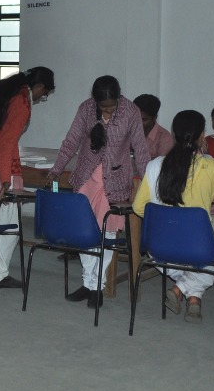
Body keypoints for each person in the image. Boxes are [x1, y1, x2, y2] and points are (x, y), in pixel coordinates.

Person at [132, 109, 214, 323]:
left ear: (174, 134)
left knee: (188, 259)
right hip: (199, 248)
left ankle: (190, 296)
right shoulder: (212, 167)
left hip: (159, 248)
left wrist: (163, 221)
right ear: (202, 136)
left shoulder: (154, 166)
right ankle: (183, 290)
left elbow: (138, 207)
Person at [49, 75, 150, 308]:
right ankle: (87, 283)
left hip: (113, 181)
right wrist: (57, 169)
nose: (107, 111)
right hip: (86, 178)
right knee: (84, 232)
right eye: (103, 107)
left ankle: (97, 287)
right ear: (94, 101)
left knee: (107, 234)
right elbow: (71, 141)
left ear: (119, 99)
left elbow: (141, 149)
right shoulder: (85, 109)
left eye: (111, 107)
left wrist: (148, 180)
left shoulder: (131, 112)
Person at [0, 66, 56, 289]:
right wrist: (7, 178)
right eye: (43, 95)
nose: (41, 98)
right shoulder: (22, 101)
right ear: (40, 86)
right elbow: (6, 142)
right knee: (9, 223)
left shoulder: (2, 91)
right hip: (0, 167)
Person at [133, 93, 174, 158]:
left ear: (154, 118)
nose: (138, 123)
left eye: (144, 119)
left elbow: (162, 165)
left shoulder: (165, 139)